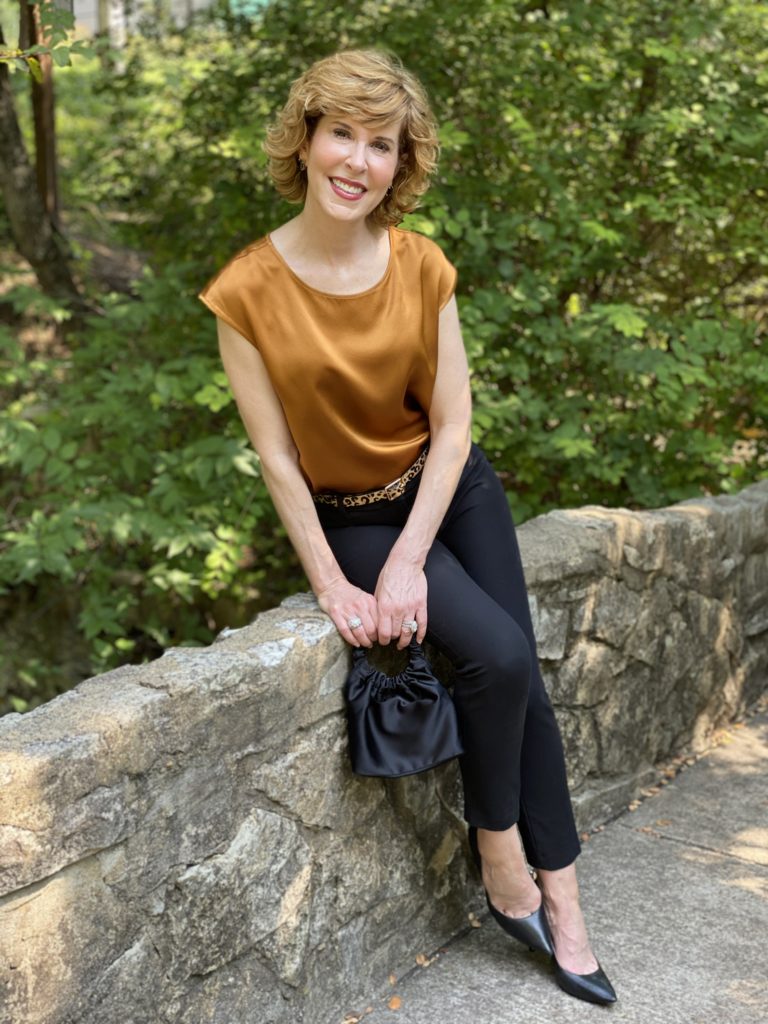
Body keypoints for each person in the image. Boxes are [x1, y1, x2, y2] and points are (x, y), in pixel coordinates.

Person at [198, 49, 616, 1006]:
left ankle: (566, 903)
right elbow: (277, 459)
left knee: (524, 680)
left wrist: (411, 562)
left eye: (379, 143)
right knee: (500, 660)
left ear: (401, 161)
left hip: (448, 489)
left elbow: (457, 421)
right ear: (303, 140)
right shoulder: (246, 292)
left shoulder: (421, 263)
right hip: (349, 513)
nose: (357, 159)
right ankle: (500, 853)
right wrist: (340, 582)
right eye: (340, 132)